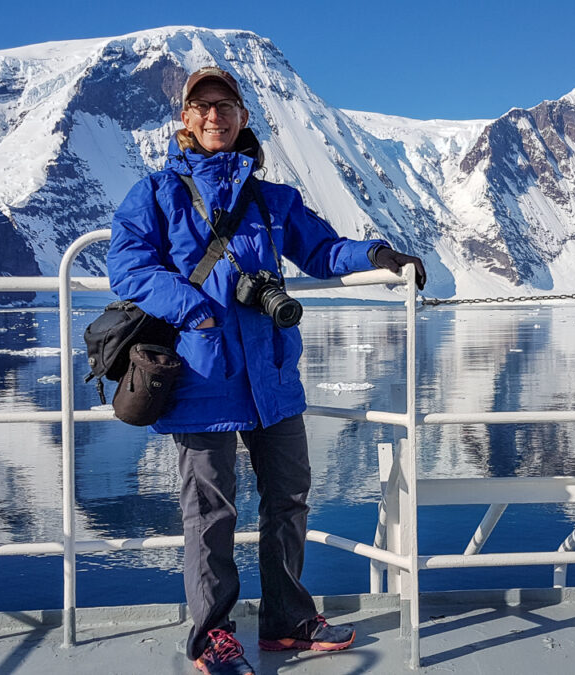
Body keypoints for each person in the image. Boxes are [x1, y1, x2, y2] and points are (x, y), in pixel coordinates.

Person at [107, 66, 426, 675]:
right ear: (185, 120)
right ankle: (213, 636)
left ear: (243, 117)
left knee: (289, 498)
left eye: (225, 105)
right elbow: (128, 268)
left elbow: (324, 249)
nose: (214, 116)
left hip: (273, 381)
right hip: (201, 379)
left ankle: (287, 620)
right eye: (201, 107)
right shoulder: (155, 193)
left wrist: (380, 256)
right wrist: (194, 307)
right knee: (209, 513)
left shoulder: (270, 198)